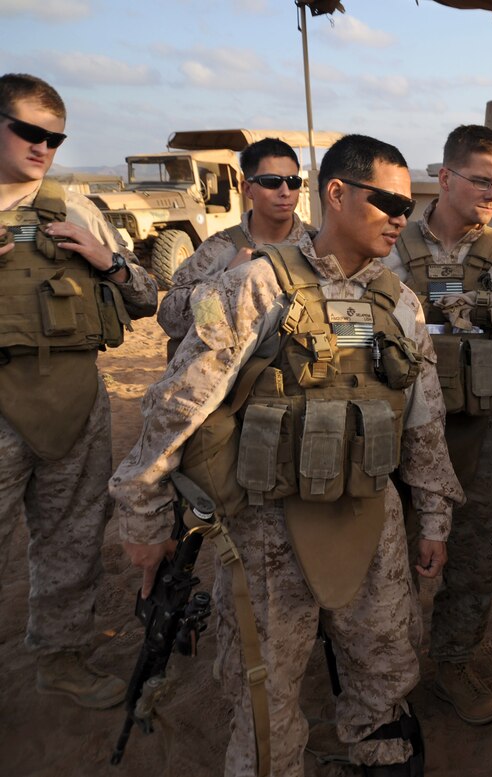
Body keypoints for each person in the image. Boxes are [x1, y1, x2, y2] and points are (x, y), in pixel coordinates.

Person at [112, 134, 463, 776]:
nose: (401, 217)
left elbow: (423, 417)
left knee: (385, 659)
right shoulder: (252, 285)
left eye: (409, 204)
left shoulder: (400, 302)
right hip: (268, 526)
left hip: (368, 517)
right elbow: (176, 402)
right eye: (387, 200)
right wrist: (142, 513)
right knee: (264, 686)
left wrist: (434, 517)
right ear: (336, 193)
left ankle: (378, 754)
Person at [383, 124, 492, 725]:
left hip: (482, 433)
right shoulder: (389, 245)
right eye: (482, 180)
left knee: (477, 556)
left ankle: (452, 663)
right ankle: (389, 675)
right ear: (446, 177)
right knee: (393, 558)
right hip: (400, 439)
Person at [0, 73, 158, 710]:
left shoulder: (77, 210)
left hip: (74, 396)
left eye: (55, 138)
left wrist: (107, 260)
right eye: (30, 133)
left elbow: (146, 297)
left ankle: (61, 659)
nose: (44, 148)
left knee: (72, 537)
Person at [157, 137, 310, 357]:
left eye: (293, 181)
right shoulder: (218, 249)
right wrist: (225, 281)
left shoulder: (316, 246)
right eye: (271, 182)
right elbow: (171, 320)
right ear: (247, 189)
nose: (285, 191)